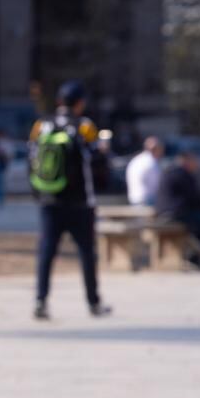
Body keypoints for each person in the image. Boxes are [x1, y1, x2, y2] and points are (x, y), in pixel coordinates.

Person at [29, 81, 112, 320]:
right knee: (87, 253)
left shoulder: (41, 125)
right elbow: (96, 159)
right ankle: (93, 302)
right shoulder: (84, 126)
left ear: (58, 101)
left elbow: (32, 157)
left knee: (46, 252)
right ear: (80, 103)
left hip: (49, 199)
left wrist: (38, 192)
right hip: (79, 202)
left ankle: (41, 301)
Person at [155, 149, 200, 268]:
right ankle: (195, 257)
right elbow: (194, 197)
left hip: (167, 212)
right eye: (195, 161)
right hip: (176, 213)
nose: (197, 164)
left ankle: (195, 255)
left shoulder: (171, 172)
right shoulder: (182, 174)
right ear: (187, 161)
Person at [126, 136, 164, 206]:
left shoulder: (137, 159)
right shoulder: (151, 162)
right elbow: (158, 185)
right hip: (147, 200)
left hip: (134, 199)